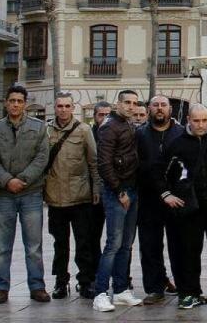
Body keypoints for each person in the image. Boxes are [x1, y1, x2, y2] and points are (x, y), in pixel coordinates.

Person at [157, 104, 207, 310]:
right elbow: (159, 173)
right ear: (188, 119)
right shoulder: (176, 144)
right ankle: (189, 293)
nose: (200, 125)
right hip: (190, 208)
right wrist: (167, 195)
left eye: (204, 120)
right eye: (196, 120)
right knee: (189, 251)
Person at [0, 84, 50, 304]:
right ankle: (1, 288)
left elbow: (42, 157)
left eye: (19, 101)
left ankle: (37, 286)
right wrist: (7, 180)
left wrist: (22, 180)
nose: (15, 104)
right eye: (12, 100)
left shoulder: (39, 127)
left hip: (31, 193)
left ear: (25, 104)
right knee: (1, 247)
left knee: (33, 246)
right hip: (2, 195)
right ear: (6, 102)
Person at [45, 92, 101, 301]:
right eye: (59, 106)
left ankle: (85, 281)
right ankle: (61, 281)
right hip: (55, 196)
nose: (63, 110)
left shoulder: (84, 130)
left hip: (80, 197)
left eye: (67, 106)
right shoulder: (47, 130)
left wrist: (96, 189)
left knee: (83, 242)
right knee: (60, 243)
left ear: (73, 108)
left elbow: (94, 162)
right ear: (55, 108)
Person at [92, 90, 144, 312]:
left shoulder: (129, 125)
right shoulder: (109, 126)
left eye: (134, 103)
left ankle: (121, 290)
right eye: (127, 103)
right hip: (117, 192)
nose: (131, 107)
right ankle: (100, 293)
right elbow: (103, 163)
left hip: (132, 189)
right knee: (113, 244)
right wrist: (119, 190)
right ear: (118, 104)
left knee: (126, 244)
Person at [136, 95, 184, 305]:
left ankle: (184, 286)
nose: (159, 108)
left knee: (179, 246)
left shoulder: (182, 133)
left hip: (177, 200)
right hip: (148, 199)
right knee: (149, 246)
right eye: (155, 105)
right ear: (149, 109)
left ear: (170, 110)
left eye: (163, 105)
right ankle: (155, 288)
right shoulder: (139, 134)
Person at [87, 100, 113, 298]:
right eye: (100, 115)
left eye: (107, 114)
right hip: (93, 194)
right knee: (92, 238)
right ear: (94, 117)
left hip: (113, 191)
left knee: (118, 240)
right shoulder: (89, 134)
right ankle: (91, 277)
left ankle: (122, 278)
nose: (104, 118)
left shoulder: (115, 132)